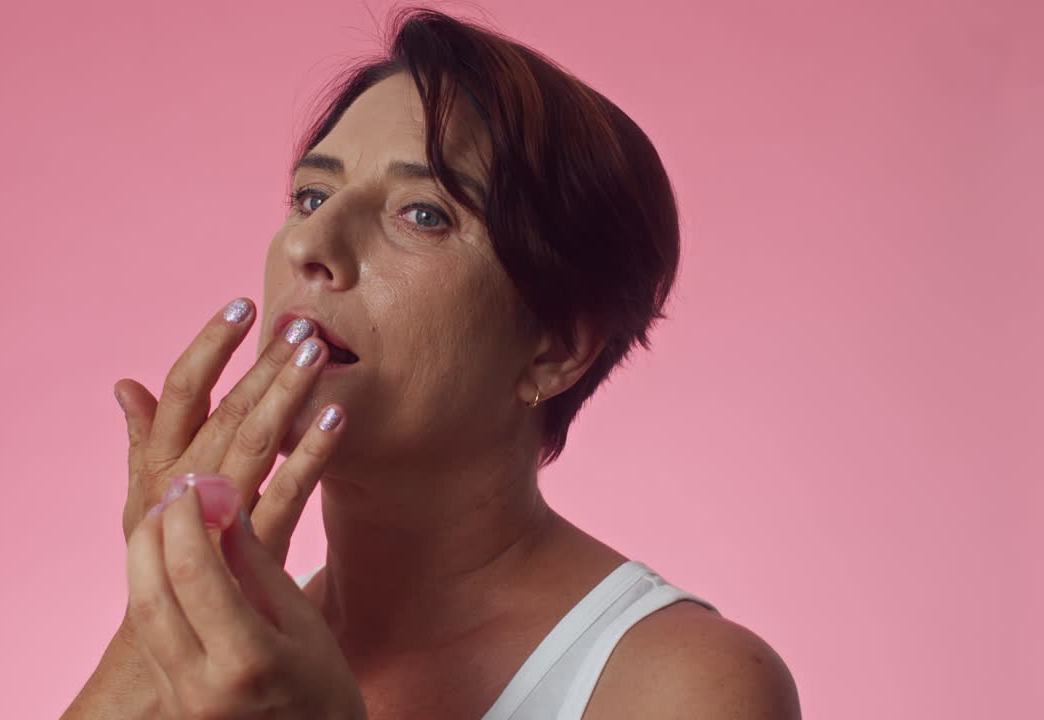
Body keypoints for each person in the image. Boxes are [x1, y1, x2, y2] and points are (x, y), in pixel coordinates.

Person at [64, 7, 801, 719]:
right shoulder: (223, 652)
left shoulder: (690, 686)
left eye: (423, 213)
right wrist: (155, 622)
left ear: (556, 349)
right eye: (311, 195)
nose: (308, 244)